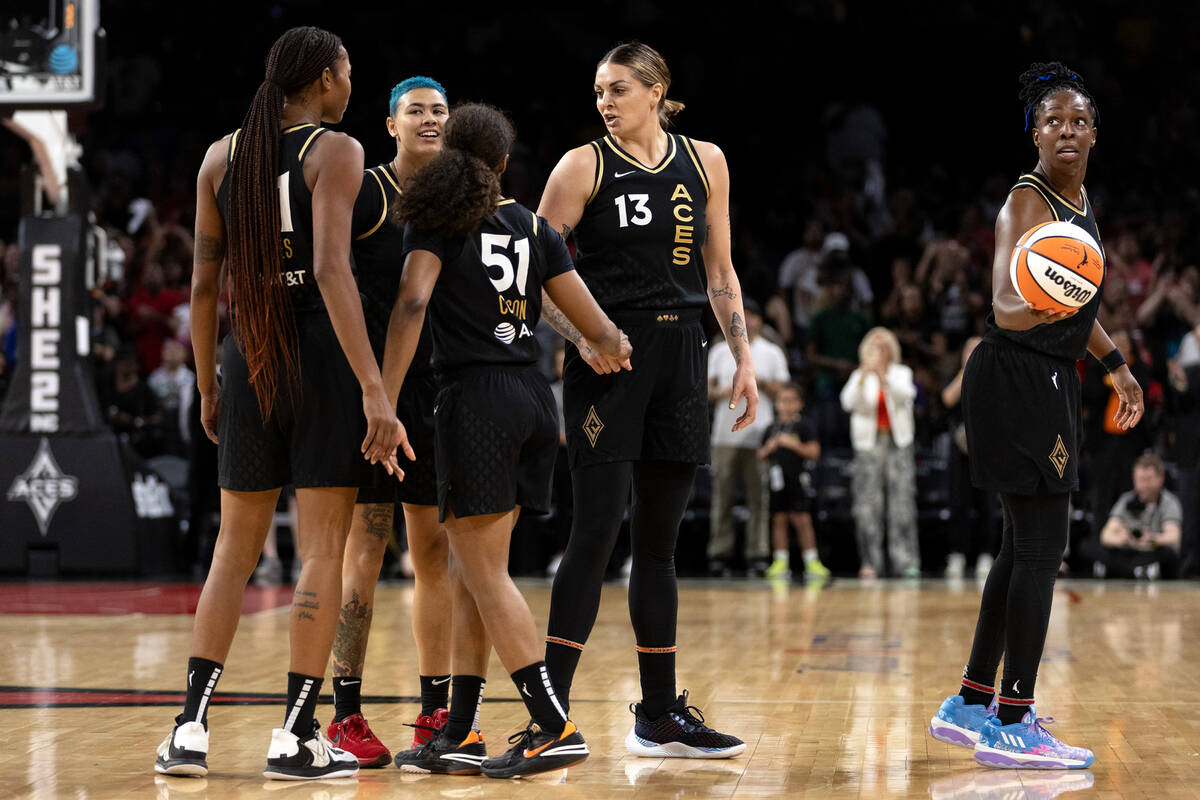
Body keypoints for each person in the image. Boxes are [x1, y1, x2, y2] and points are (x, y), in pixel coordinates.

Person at [153, 27, 402, 781]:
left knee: (234, 551)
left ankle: (189, 731)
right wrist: (373, 387)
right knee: (322, 550)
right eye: (349, 72)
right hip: (322, 355)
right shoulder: (338, 150)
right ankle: (294, 736)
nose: (351, 85)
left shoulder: (220, 157)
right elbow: (332, 271)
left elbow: (202, 287)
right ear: (325, 79)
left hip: (248, 353)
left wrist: (206, 382)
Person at [382, 102, 629, 778]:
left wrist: (382, 395)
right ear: (499, 164)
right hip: (530, 401)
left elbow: (410, 302)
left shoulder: (439, 217)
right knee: (471, 575)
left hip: (476, 400)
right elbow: (593, 324)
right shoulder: (530, 225)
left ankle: (555, 725)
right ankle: (461, 731)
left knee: (485, 575)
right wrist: (615, 346)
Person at [537, 41, 755, 758]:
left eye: (620, 88)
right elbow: (533, 273)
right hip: (611, 358)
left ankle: (658, 715)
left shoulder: (707, 161)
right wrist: (584, 335)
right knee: (595, 533)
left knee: (659, 547)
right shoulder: (581, 166)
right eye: (599, 89)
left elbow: (719, 271)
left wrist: (742, 357)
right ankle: (552, 715)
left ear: (657, 91)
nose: (605, 100)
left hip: (682, 356)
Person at [928, 62, 1143, 770]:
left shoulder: (1082, 207)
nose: (1068, 131)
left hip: (1045, 377)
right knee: (1042, 551)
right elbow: (1005, 306)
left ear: (1095, 133)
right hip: (1019, 377)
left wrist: (1115, 366)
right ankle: (1013, 719)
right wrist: (1046, 300)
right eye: (1054, 120)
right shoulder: (1028, 203)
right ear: (1034, 132)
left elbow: (1079, 307)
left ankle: (968, 703)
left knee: (1020, 549)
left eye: (1080, 120)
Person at [324, 75, 452, 768]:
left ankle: (434, 708)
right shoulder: (367, 191)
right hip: (368, 397)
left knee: (433, 554)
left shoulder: (458, 199)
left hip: (434, 395)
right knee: (363, 553)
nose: (430, 119)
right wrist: (374, 396)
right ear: (391, 125)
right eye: (416, 111)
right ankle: (345, 713)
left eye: (439, 110)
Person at [707, 299, 790, 576]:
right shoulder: (719, 350)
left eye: (752, 315)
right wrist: (731, 388)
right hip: (724, 435)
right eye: (742, 315)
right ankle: (720, 554)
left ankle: (758, 554)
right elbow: (706, 391)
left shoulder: (772, 352)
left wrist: (762, 384)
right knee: (723, 497)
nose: (747, 320)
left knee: (759, 498)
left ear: (760, 321)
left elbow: (784, 392)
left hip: (760, 435)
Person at [839, 327, 919, 578]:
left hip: (898, 443)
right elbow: (848, 402)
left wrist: (884, 377)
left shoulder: (901, 373)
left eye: (884, 347)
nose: (879, 352)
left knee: (902, 504)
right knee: (867, 505)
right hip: (868, 445)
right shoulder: (859, 375)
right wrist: (864, 374)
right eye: (875, 347)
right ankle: (870, 561)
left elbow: (907, 395)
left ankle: (905, 561)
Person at [941, 336, 1000, 579]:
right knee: (959, 503)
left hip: (987, 450)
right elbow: (948, 399)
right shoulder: (955, 376)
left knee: (987, 504)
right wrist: (967, 370)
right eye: (969, 350)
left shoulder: (995, 378)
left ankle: (986, 554)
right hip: (959, 450)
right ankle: (957, 554)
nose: (973, 353)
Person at [759, 382, 828, 579]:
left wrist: (793, 444)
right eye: (782, 401)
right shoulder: (771, 428)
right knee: (778, 519)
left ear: (799, 404)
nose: (786, 405)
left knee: (802, 518)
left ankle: (812, 561)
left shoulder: (805, 426)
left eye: (791, 401)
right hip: (776, 481)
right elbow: (761, 454)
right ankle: (780, 561)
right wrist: (770, 447)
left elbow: (814, 452)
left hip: (798, 479)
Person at [1082, 453, 1183, 579]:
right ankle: (1136, 570)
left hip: (1151, 549)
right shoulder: (1127, 499)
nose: (1144, 485)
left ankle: (1128, 569)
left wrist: (1151, 538)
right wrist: (1123, 539)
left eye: (1148, 479)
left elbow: (1174, 537)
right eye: (1140, 480)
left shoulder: (1169, 502)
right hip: (1128, 550)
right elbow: (1106, 535)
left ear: (1160, 478)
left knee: (1168, 554)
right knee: (1088, 546)